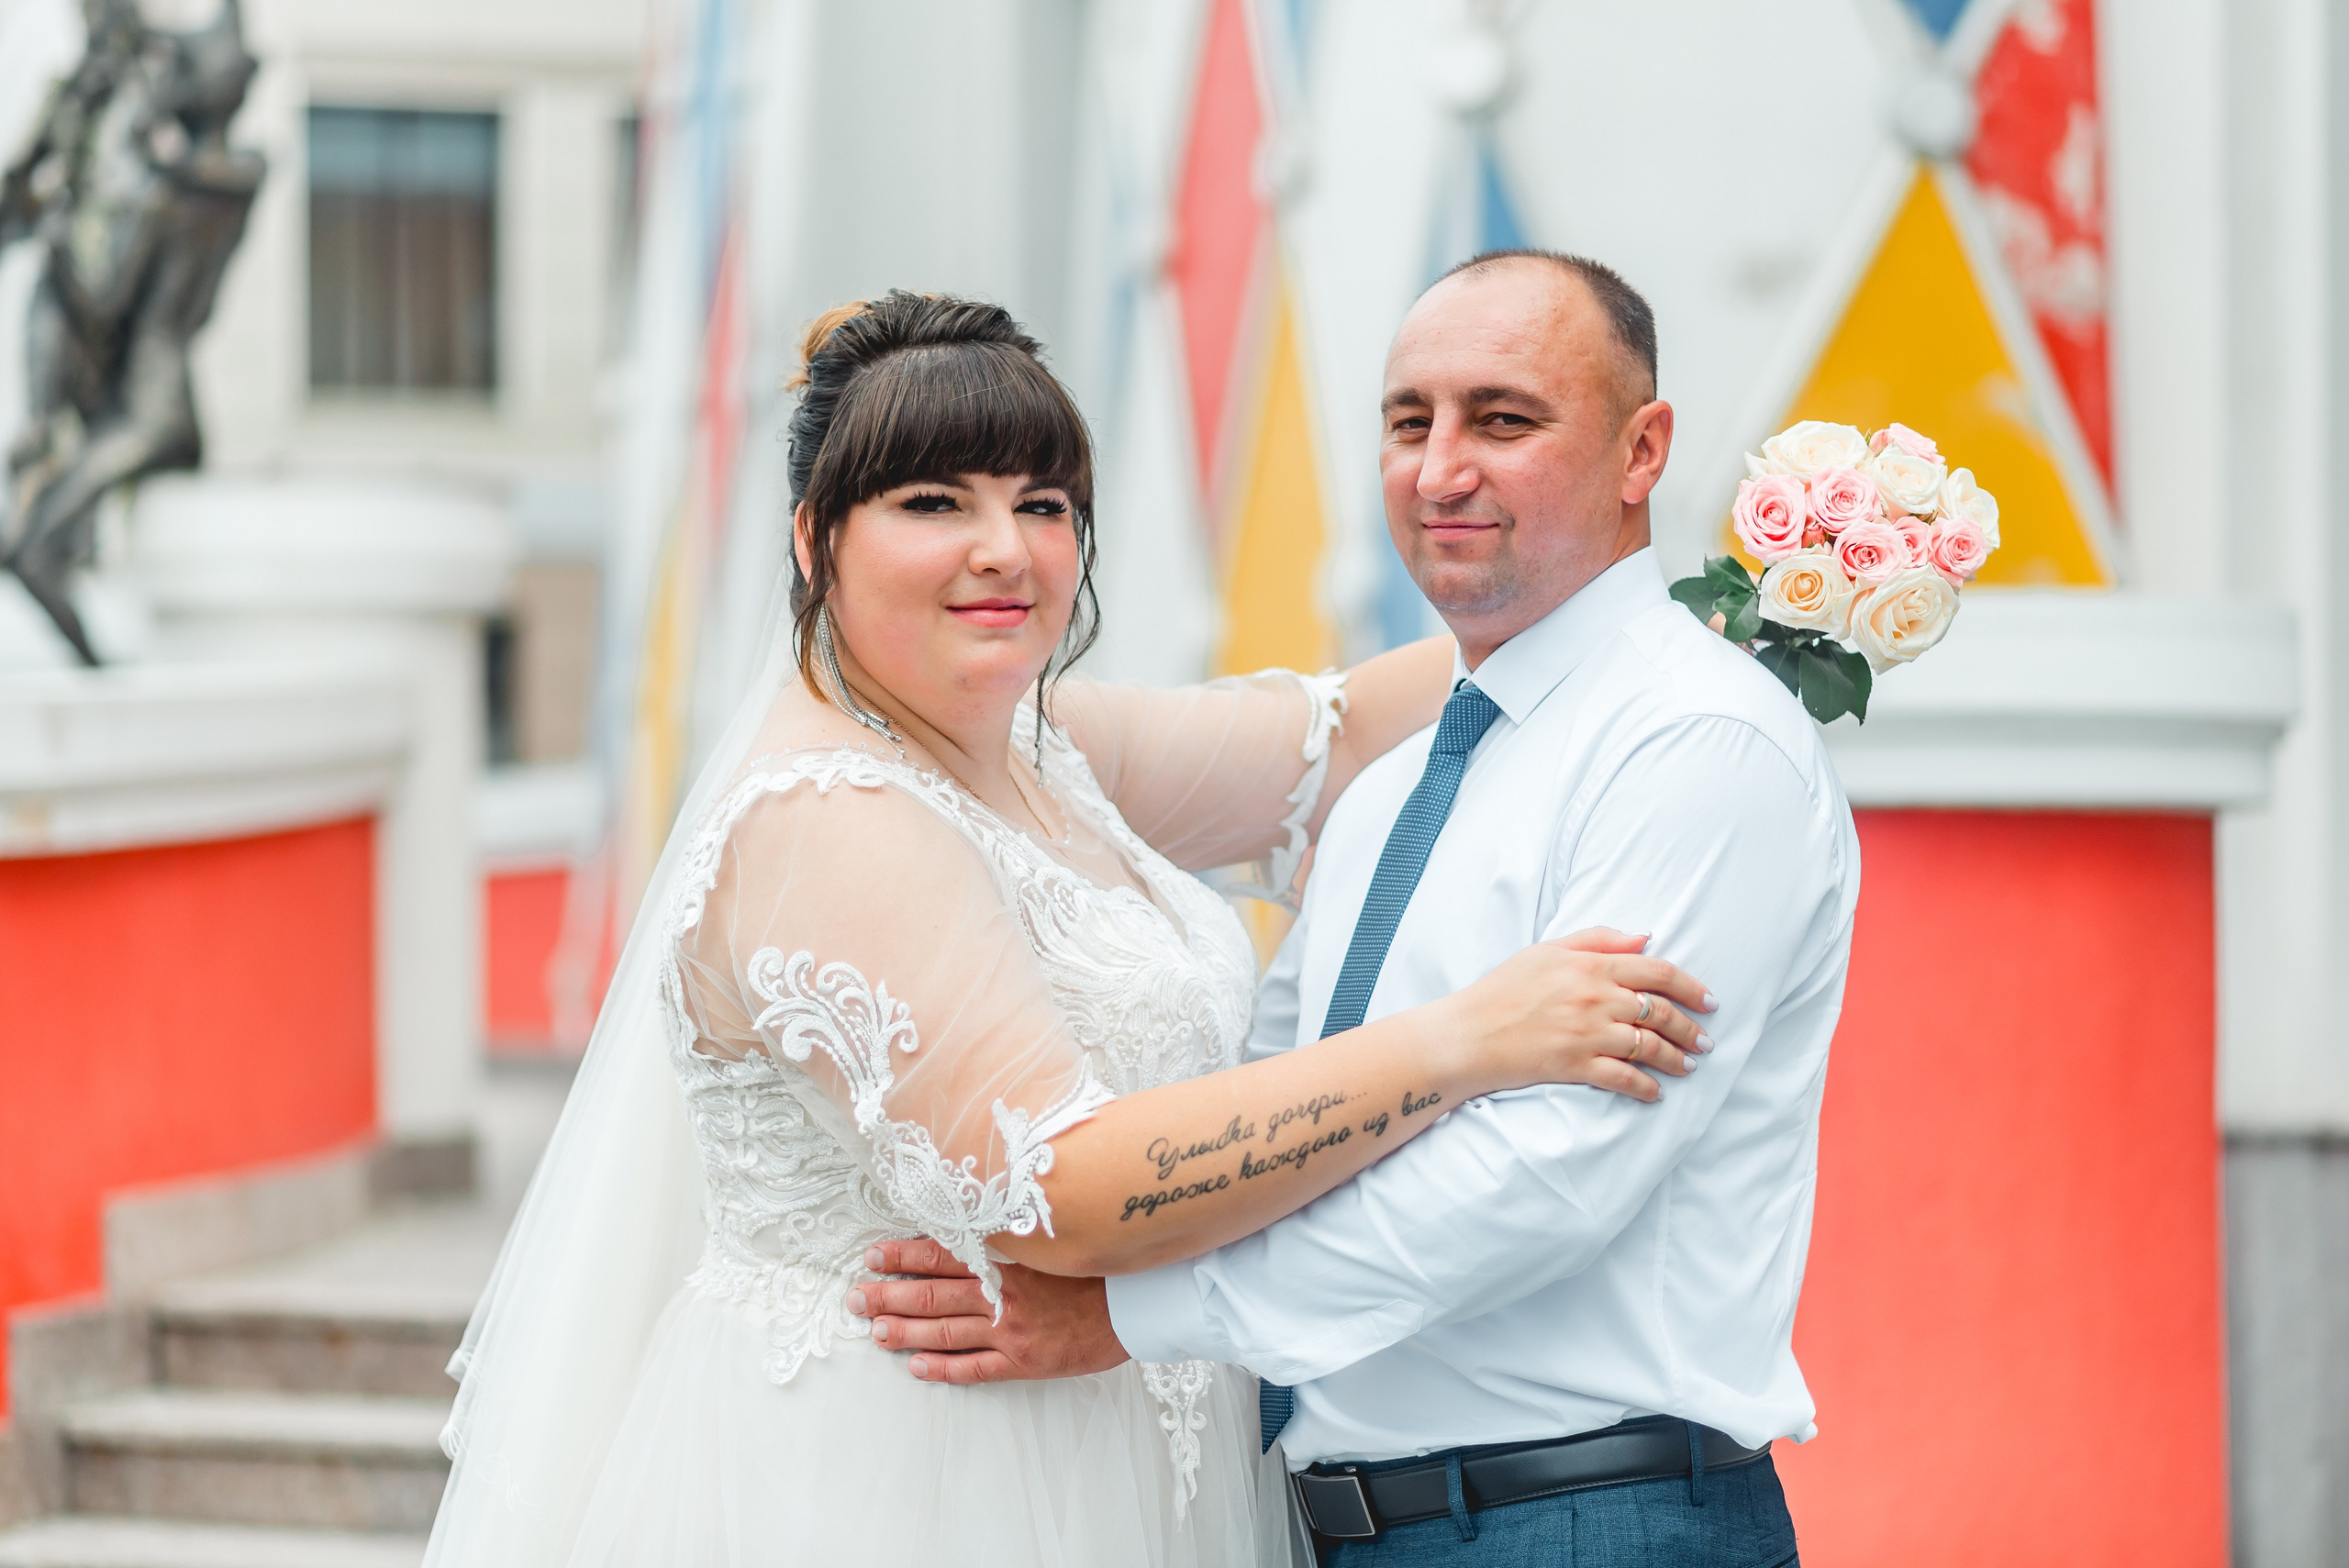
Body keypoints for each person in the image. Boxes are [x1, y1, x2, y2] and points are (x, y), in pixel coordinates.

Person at [423, 289, 1721, 1568]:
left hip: (1122, 1448)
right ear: (817, 538)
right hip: (911, 1472)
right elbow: (1070, 1191)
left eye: (1042, 504)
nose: (1006, 548)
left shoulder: (1043, 749)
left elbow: (1329, 736)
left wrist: (1702, 609)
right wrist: (1458, 1044)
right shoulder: (828, 817)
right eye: (936, 503)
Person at [855, 252, 1862, 1567]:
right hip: (1350, 1526)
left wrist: (1130, 1314)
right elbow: (1284, 1104)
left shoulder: (1698, 747)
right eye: (1409, 421)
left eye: (1503, 419)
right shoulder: (1395, 790)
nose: (1441, 468)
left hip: (1580, 1518)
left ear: (1642, 450)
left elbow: (1545, 1179)